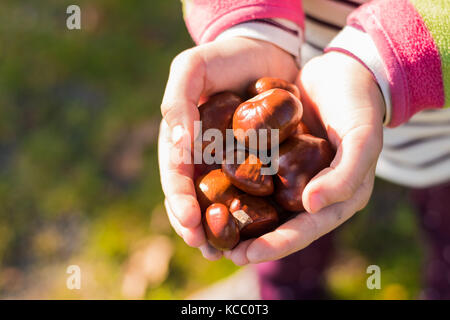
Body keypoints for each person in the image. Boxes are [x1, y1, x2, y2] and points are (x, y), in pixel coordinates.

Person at [158, 0, 450, 299]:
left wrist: (382, 55)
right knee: (296, 235)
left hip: (440, 134)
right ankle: (285, 289)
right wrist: (249, 26)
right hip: (312, 76)